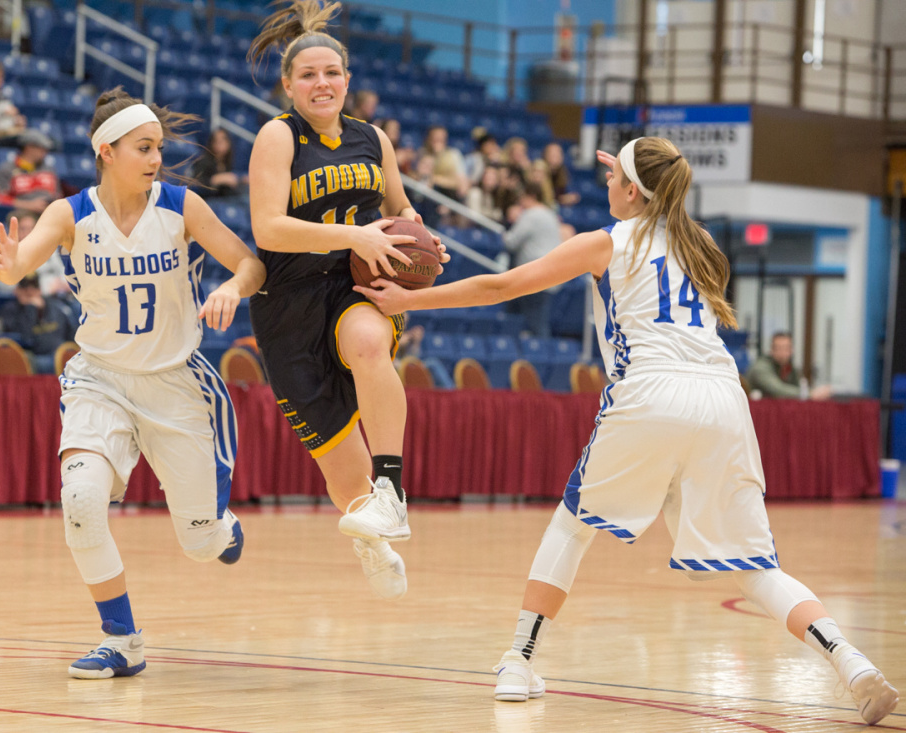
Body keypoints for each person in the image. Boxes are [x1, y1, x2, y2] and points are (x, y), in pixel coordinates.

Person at [356, 137, 899, 726]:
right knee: (756, 567)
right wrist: (635, 169)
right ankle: (853, 665)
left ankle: (518, 660)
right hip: (724, 399)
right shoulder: (703, 247)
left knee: (573, 525)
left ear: (632, 191)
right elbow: (653, 199)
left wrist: (408, 301)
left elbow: (501, 286)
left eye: (615, 178)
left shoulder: (604, 243)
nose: (605, 185)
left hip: (651, 390)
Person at [0, 87, 266, 679]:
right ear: (106, 151)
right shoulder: (70, 213)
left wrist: (229, 287)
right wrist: (11, 266)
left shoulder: (181, 206)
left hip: (175, 385)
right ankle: (123, 641)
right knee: (81, 503)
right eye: (143, 147)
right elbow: (23, 261)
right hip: (100, 380)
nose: (155, 158)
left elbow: (251, 263)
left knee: (200, 544)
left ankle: (220, 529)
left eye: (159, 147)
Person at [246, 0, 448, 601]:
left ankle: (393, 492)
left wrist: (424, 240)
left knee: (367, 341)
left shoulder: (372, 138)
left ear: (347, 81)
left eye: (331, 73)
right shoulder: (277, 137)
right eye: (307, 75)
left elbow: (400, 209)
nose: (321, 83)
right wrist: (353, 234)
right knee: (340, 471)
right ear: (289, 86)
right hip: (286, 304)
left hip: (356, 286)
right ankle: (372, 534)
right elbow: (268, 229)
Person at [501, 181, 563, 337]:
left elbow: (511, 241)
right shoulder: (550, 214)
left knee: (535, 323)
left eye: (523, 197)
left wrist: (504, 230)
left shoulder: (530, 215)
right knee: (538, 321)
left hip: (534, 274)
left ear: (531, 196)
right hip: (551, 274)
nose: (521, 201)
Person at [0, 271, 78, 373]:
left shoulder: (55, 307)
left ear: (39, 291)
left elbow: (72, 335)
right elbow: (27, 339)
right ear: (16, 290)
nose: (30, 292)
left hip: (59, 354)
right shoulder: (10, 311)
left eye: (34, 287)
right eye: (25, 288)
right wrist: (30, 309)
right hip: (32, 357)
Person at [0, 129, 62, 213]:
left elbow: (58, 196)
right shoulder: (6, 169)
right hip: (21, 213)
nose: (45, 153)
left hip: (49, 213)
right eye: (41, 149)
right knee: (28, 223)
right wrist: (28, 205)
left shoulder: (50, 170)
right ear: (29, 147)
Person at [745, 331, 831, 400]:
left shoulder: (790, 367)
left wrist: (816, 393)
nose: (783, 353)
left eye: (786, 348)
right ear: (771, 350)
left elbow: (799, 387)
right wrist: (811, 394)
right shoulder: (760, 368)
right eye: (779, 348)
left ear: (791, 350)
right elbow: (778, 390)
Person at [191, 128, 246, 201]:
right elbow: (196, 184)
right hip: (207, 201)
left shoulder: (226, 162)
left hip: (222, 202)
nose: (220, 143)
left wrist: (241, 180)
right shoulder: (204, 161)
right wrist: (216, 179)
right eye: (216, 140)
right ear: (211, 142)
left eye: (224, 139)